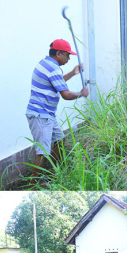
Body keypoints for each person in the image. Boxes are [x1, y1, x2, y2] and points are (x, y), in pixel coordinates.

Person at [25, 39, 89, 177]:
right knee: (42, 153)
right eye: (67, 55)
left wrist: (73, 72)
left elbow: (57, 81)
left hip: (47, 115)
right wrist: (81, 94)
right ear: (59, 53)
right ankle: (34, 186)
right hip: (40, 115)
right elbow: (65, 94)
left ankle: (53, 174)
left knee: (60, 142)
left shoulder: (46, 63)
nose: (69, 58)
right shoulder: (53, 68)